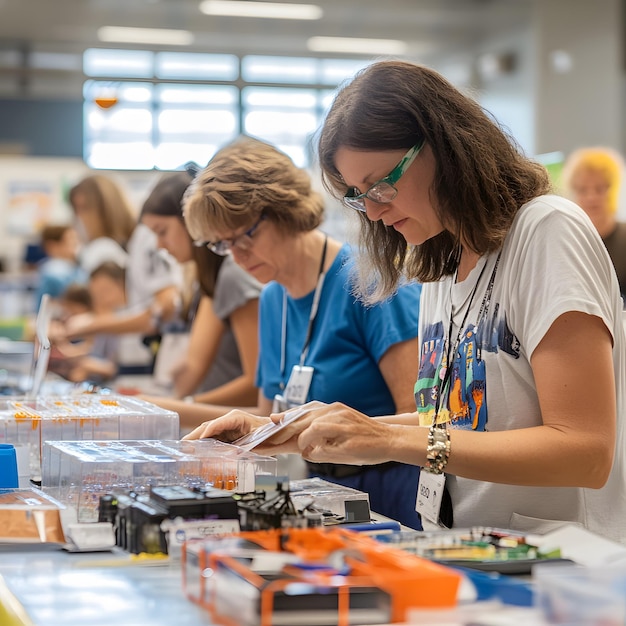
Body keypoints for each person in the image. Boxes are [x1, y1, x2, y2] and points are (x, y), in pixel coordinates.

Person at [186, 61, 626, 544]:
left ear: (445, 146)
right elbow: (449, 421)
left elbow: (586, 451)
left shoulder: (546, 232)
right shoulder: (442, 262)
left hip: (564, 563)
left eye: (380, 184)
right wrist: (292, 429)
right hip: (469, 550)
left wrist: (390, 440)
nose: (373, 209)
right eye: (358, 196)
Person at [152, 135, 423, 529]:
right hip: (322, 493)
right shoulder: (272, 299)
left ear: (286, 211)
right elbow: (268, 420)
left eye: (247, 235)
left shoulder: (371, 283)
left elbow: (418, 419)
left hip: (393, 494)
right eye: (223, 246)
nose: (239, 256)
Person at [140, 171, 261, 404]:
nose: (159, 245)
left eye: (162, 231)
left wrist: (184, 406)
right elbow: (195, 364)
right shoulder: (210, 278)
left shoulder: (233, 273)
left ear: (189, 220)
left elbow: (256, 384)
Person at [63, 174, 183, 372]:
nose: (81, 219)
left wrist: (90, 325)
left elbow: (164, 307)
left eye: (85, 209)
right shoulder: (134, 244)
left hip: (146, 362)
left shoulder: (142, 239)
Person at [561, 147, 626, 299]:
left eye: (600, 189)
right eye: (583, 190)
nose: (592, 197)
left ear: (613, 189)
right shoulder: (566, 241)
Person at [49, 265, 124, 384]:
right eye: (95, 293)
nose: (98, 299)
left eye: (104, 291)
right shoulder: (104, 320)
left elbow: (114, 368)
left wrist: (85, 365)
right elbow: (92, 351)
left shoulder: (120, 321)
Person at [34, 224, 86, 311]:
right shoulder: (53, 272)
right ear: (53, 246)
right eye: (70, 240)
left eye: (76, 239)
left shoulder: (75, 268)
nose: (76, 243)